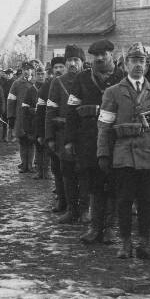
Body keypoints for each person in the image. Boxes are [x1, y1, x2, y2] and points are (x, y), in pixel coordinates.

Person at [97, 42, 150, 259]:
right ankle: (125, 242)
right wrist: (103, 153)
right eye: (134, 61)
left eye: (142, 61)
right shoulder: (113, 92)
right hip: (124, 153)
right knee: (124, 199)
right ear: (126, 64)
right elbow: (104, 125)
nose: (138, 65)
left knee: (147, 200)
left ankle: (145, 242)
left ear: (146, 64)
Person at [65, 39, 124, 244]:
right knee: (93, 183)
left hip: (116, 139)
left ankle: (110, 229)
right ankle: (94, 227)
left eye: (104, 54)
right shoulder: (82, 78)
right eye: (95, 55)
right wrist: (70, 140)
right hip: (88, 139)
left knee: (115, 183)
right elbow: (71, 111)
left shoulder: (122, 77)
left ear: (111, 55)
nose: (99, 58)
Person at [46, 45, 86, 224]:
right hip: (62, 134)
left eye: (76, 60)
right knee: (67, 173)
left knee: (85, 173)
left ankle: (85, 210)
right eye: (69, 60)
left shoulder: (89, 79)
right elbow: (50, 110)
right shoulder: (58, 82)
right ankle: (71, 209)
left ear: (82, 62)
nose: (72, 64)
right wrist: (49, 137)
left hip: (85, 134)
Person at [38, 56, 66, 211]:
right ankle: (61, 197)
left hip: (66, 132)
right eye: (55, 67)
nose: (58, 70)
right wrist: (42, 134)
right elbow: (41, 112)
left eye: (61, 66)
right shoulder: (46, 86)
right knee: (56, 167)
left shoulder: (72, 83)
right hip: (52, 132)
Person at [7, 62, 35, 172]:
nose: (27, 71)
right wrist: (11, 116)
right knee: (23, 141)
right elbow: (11, 101)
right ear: (22, 70)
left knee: (31, 141)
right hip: (20, 117)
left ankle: (31, 165)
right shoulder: (16, 83)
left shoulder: (35, 82)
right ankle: (24, 165)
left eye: (29, 69)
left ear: (32, 70)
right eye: (25, 69)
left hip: (33, 116)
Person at [27, 67, 48, 178]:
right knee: (38, 147)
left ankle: (47, 172)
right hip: (36, 122)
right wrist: (32, 110)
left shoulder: (50, 87)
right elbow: (25, 107)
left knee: (48, 148)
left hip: (47, 121)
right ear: (35, 75)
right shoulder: (31, 89)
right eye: (38, 74)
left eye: (42, 74)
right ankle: (40, 172)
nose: (40, 76)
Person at [1, 68, 16, 142]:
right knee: (5, 120)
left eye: (9, 74)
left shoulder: (14, 82)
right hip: (5, 103)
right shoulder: (5, 82)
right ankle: (5, 136)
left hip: (12, 103)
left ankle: (13, 135)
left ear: (12, 74)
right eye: (6, 74)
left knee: (12, 120)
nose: (7, 75)